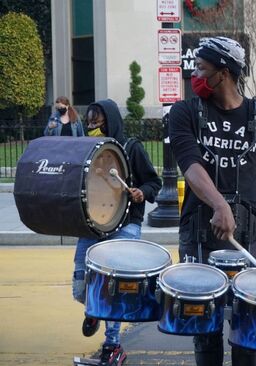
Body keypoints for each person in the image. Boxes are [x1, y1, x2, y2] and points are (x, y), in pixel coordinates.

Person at [169, 36, 256, 366]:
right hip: (199, 231)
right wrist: (218, 204)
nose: (195, 75)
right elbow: (191, 166)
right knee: (205, 327)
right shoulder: (184, 112)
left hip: (250, 232)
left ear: (225, 71)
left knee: (250, 324)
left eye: (202, 68)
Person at [72, 99, 162, 366]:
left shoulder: (131, 149)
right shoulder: (89, 150)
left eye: (96, 122)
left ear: (110, 121)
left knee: (113, 292)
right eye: (89, 122)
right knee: (80, 288)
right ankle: (95, 309)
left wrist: (141, 192)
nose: (91, 127)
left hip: (125, 225)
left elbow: (153, 182)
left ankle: (113, 346)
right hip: (93, 226)